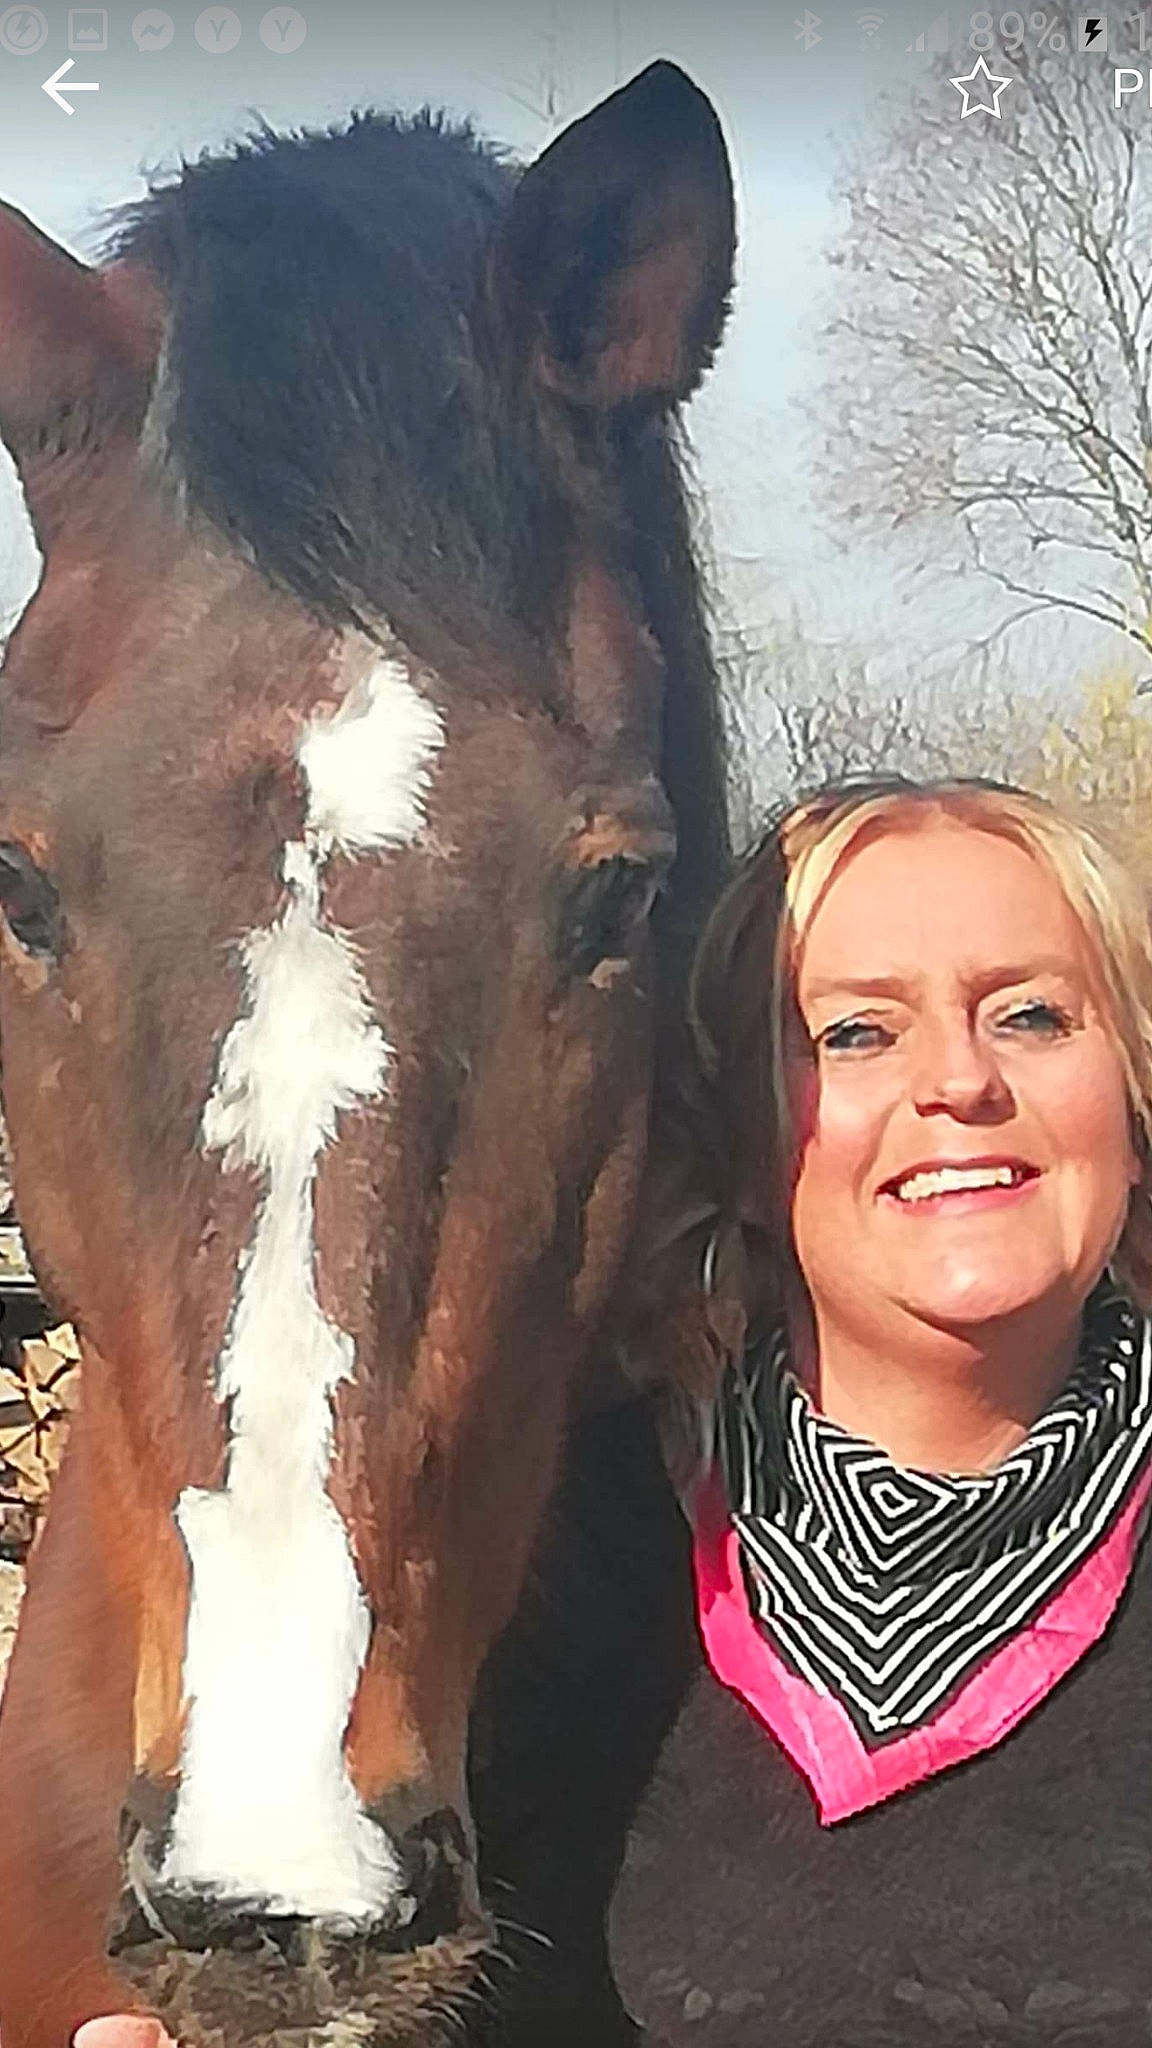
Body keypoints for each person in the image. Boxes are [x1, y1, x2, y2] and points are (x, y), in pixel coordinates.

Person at [596, 776, 1152, 2046]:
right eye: (854, 1033)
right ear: (733, 1138)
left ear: (1131, 1106)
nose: (959, 1078)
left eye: (1032, 1014)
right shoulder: (548, 1566)